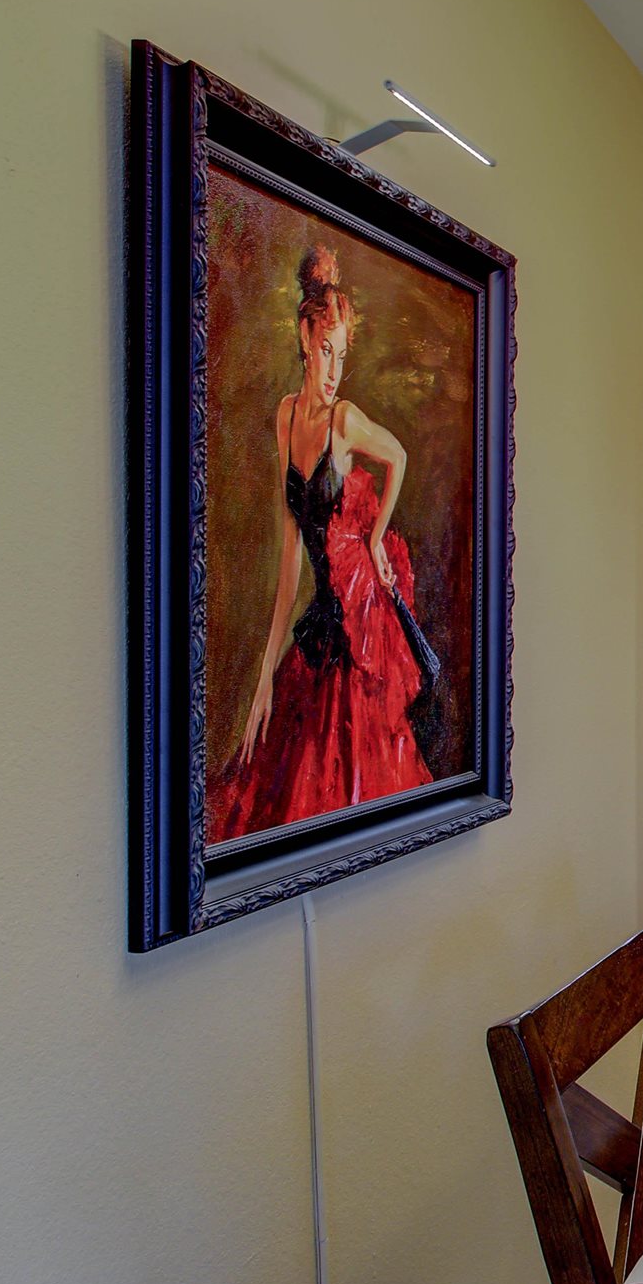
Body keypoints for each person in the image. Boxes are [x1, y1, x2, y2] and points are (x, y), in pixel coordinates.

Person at [210, 244, 435, 842]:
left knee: (357, 770)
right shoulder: (285, 418)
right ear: (306, 337)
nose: (335, 369)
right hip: (321, 622)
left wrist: (380, 536)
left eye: (344, 355)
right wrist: (262, 675)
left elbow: (400, 457)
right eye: (327, 349)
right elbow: (291, 555)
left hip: (358, 615)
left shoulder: (346, 420)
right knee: (282, 774)